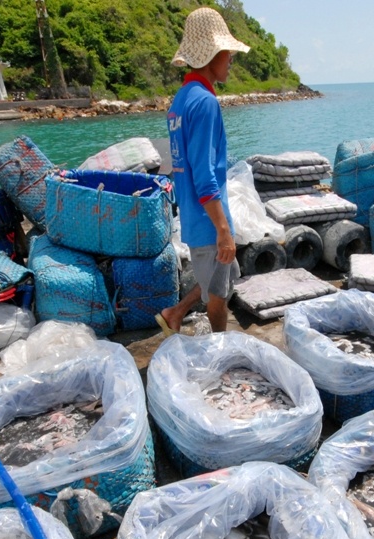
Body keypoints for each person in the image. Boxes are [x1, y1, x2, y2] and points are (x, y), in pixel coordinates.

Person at [155, 7, 250, 336]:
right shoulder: (206, 102)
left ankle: (175, 312)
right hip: (209, 221)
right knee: (218, 299)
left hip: (195, 217)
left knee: (223, 277)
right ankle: (220, 352)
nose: (231, 59)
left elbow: (183, 166)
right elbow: (204, 175)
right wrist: (223, 229)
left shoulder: (180, 101)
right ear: (212, 54)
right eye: (227, 52)